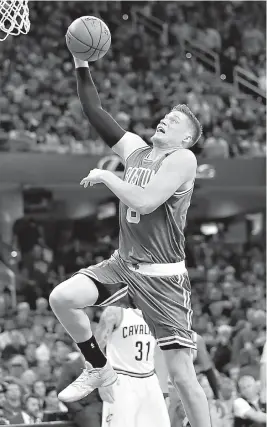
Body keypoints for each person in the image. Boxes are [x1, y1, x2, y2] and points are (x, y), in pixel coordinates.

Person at [49, 45, 211, 427]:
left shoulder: (183, 160)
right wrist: (81, 62)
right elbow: (94, 111)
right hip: (124, 266)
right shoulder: (136, 150)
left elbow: (147, 200)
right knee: (63, 297)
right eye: (165, 116)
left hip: (163, 278)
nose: (164, 121)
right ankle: (97, 366)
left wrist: (108, 176)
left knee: (183, 376)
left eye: (174, 122)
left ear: (186, 139)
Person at [96, 307, 170, 427]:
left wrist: (164, 391)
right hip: (121, 379)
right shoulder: (115, 312)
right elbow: (94, 347)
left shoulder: (157, 313)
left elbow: (158, 354)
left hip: (150, 379)